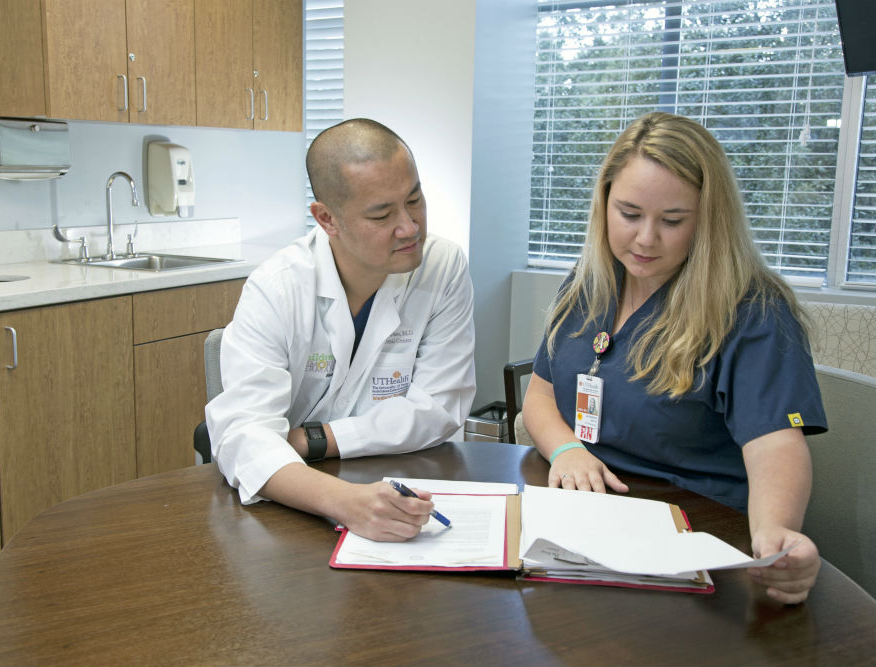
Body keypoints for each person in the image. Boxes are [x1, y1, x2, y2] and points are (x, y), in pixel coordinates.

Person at [522, 112, 827, 604]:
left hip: (694, 533)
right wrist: (567, 450)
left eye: (672, 221)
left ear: (708, 219)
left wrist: (775, 537)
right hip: (583, 521)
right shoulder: (591, 280)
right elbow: (540, 394)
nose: (645, 239)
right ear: (603, 204)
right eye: (629, 213)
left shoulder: (753, 313)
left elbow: (775, 446)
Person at [206, 118, 476, 543]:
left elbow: (440, 407)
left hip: (397, 484)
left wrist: (314, 439)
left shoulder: (442, 267)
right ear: (326, 218)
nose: (410, 227)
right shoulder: (277, 288)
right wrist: (345, 502)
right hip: (292, 509)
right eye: (382, 214)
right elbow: (243, 436)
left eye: (415, 199)